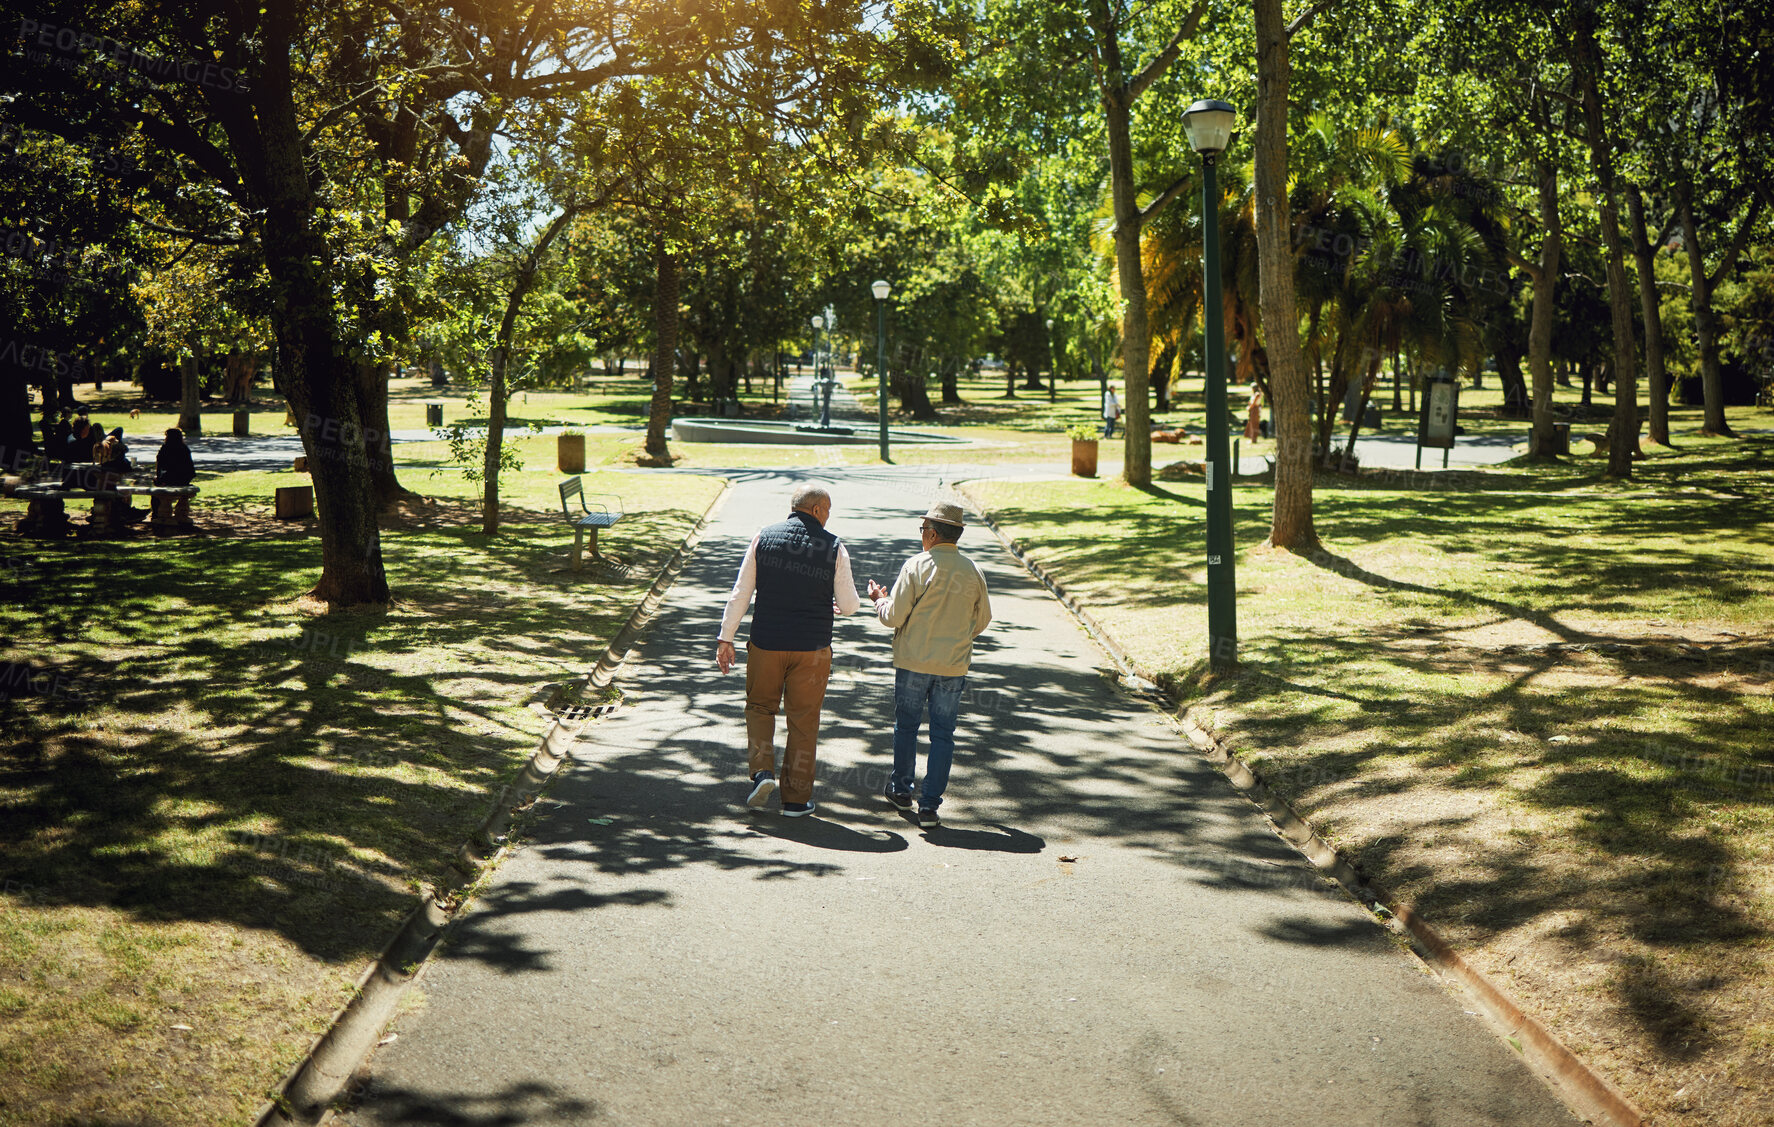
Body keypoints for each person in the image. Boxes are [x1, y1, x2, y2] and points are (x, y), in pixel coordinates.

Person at [715, 483, 863, 817]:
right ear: (815, 510)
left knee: (759, 707)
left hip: (767, 643)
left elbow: (741, 592)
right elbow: (851, 605)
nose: (828, 517)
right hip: (812, 648)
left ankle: (762, 773)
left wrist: (726, 638)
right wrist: (833, 602)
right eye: (827, 510)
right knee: (804, 721)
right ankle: (796, 799)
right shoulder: (835, 547)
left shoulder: (763, 538)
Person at [865, 501, 992, 827]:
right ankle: (930, 806)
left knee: (906, 726)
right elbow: (983, 620)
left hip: (913, 662)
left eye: (923, 530)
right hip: (952, 665)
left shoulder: (916, 566)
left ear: (933, 534)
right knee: (943, 734)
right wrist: (960, 635)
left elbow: (894, 617)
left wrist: (880, 600)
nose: (922, 535)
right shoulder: (972, 570)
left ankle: (902, 788)